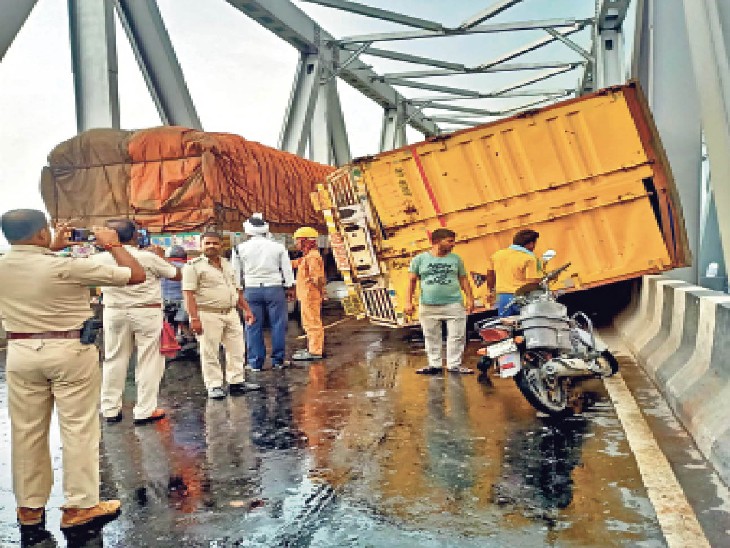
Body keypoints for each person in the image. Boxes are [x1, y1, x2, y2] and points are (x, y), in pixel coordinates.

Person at [0, 209, 146, 529]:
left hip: (20, 351)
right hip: (67, 350)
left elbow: (32, 268)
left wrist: (49, 247)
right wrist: (112, 245)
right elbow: (135, 275)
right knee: (78, 428)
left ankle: (29, 507)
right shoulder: (67, 266)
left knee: (26, 432)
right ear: (42, 234)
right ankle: (79, 505)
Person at [91, 220, 181, 425]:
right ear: (135, 236)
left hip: (114, 312)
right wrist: (161, 258)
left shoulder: (98, 259)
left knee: (114, 359)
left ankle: (110, 409)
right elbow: (177, 275)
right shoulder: (147, 257)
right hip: (146, 312)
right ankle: (145, 410)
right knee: (149, 361)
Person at [182, 231, 261, 398]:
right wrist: (194, 318)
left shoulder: (227, 264)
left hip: (231, 313)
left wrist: (246, 309)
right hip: (207, 314)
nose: (212, 246)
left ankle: (236, 382)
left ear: (221, 245)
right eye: (208, 243)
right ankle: (214, 385)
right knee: (209, 351)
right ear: (201, 246)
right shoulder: (193, 266)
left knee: (237, 348)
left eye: (215, 243)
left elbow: (236, 290)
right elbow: (188, 294)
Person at [403, 228, 474, 375]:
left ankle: (454, 364)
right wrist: (408, 302)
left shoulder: (456, 259)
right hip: (428, 305)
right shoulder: (419, 259)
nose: (453, 244)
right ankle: (434, 364)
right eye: (449, 241)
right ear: (436, 242)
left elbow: (463, 279)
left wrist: (470, 298)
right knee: (431, 336)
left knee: (457, 335)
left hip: (453, 303)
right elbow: (411, 281)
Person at [234, 213, 295, 371]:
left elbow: (235, 274)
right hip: (275, 289)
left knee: (252, 325)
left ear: (247, 231)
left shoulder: (239, 249)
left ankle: (255, 363)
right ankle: (278, 360)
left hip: (251, 289)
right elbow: (287, 270)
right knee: (278, 324)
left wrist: (239, 292)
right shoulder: (278, 247)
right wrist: (289, 287)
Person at [486, 229, 543, 317]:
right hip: (521, 298)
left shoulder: (497, 255)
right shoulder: (529, 258)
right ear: (531, 243)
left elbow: (490, 273)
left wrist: (490, 290)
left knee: (505, 326)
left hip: (503, 298)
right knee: (528, 324)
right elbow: (533, 281)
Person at [291, 227, 326, 361]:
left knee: (312, 323)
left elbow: (317, 278)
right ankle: (313, 347)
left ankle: (315, 351)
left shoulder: (313, 257)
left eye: (298, 241)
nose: (296, 244)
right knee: (308, 322)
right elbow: (296, 263)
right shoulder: (308, 257)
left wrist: (322, 292)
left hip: (311, 295)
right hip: (308, 295)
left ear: (305, 241)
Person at [162, 245, 194, 346]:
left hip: (165, 301)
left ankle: (170, 341)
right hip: (183, 302)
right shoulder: (188, 267)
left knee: (169, 323)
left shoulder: (163, 267)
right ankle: (188, 337)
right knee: (184, 324)